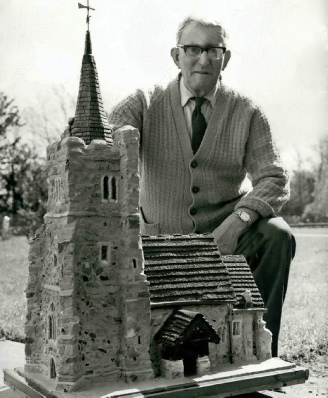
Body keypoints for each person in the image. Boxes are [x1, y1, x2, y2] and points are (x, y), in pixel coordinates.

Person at [106, 16, 295, 358]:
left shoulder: (247, 112)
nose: (204, 59)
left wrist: (239, 221)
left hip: (228, 240)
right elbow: (105, 139)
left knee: (278, 235)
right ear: (176, 56)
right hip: (160, 241)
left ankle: (261, 357)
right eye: (193, 48)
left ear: (226, 58)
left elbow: (274, 177)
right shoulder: (144, 102)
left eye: (213, 50)